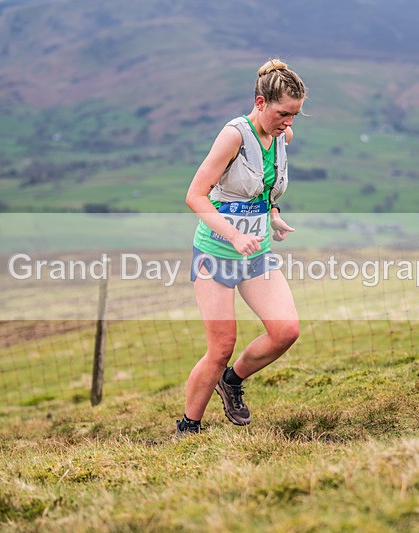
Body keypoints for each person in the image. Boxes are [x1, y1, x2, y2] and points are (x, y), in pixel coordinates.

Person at [176, 59, 307, 436]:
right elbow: (195, 196)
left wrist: (274, 213)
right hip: (216, 255)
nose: (289, 123)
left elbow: (263, 188)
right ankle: (188, 429)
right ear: (260, 102)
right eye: (283, 113)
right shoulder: (234, 135)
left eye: (295, 115)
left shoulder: (283, 136)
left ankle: (232, 381)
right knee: (220, 347)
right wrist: (234, 236)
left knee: (286, 331)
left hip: (256, 254)